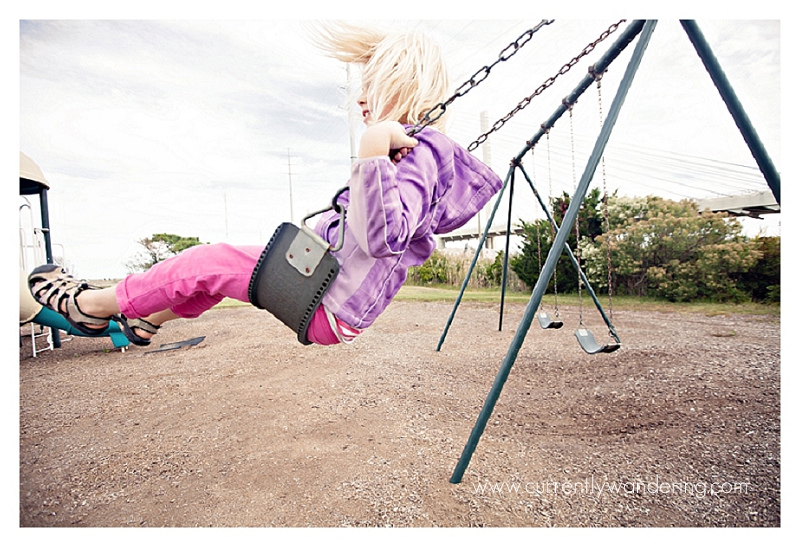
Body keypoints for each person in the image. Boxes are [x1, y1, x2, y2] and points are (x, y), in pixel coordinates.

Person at [28, 23, 503, 347]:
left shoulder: (422, 153)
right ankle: (148, 318)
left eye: (372, 84)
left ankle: (91, 305)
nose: (360, 98)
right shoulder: (417, 152)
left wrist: (373, 147)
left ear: (405, 85)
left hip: (326, 295)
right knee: (218, 278)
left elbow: (385, 238)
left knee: (210, 260)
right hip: (324, 288)